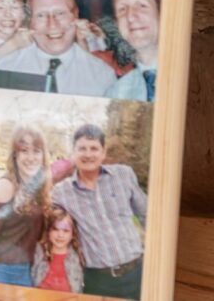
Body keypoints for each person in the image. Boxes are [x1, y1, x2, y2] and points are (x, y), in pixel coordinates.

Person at [51, 124, 146, 298]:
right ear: (73, 153)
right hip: (98, 282)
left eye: (94, 148)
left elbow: (147, 215)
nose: (88, 154)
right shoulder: (61, 192)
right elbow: (41, 219)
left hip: (138, 273)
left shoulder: (124, 175)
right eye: (82, 149)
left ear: (103, 152)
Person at [0, 0, 117, 96]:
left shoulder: (102, 75)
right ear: (29, 21)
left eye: (60, 13)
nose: (52, 24)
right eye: (41, 15)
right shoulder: (5, 66)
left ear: (75, 15)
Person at [0, 126, 51, 286]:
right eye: (24, 150)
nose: (31, 157)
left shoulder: (38, 186)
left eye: (36, 151)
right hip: (2, 271)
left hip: (27, 270)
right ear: (15, 155)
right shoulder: (6, 186)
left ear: (43, 155)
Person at [105, 0, 160, 101]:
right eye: (122, 9)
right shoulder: (117, 93)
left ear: (161, 14)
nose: (130, 17)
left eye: (142, 6)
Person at [32, 206, 85, 292]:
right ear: (48, 231)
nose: (60, 235)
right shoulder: (38, 252)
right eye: (55, 229)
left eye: (66, 231)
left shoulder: (77, 256)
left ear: (73, 234)